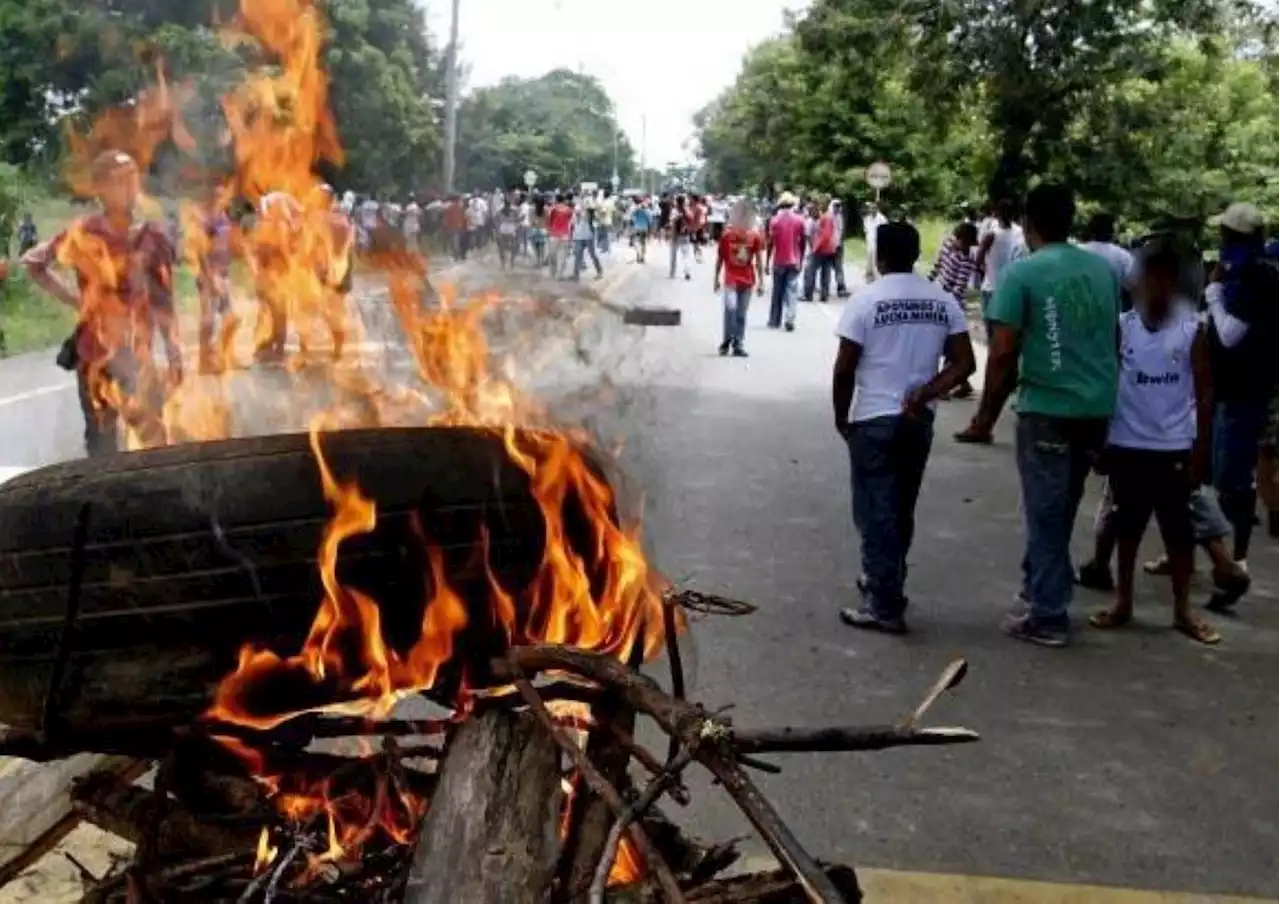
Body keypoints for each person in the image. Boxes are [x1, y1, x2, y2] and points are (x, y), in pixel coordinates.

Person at [967, 184, 1120, 646]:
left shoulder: (1023, 273)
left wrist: (986, 414)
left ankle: (1049, 615)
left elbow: (1002, 352)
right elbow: (1111, 335)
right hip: (1096, 406)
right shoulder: (1101, 269)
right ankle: (1040, 587)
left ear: (1029, 222)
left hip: (1048, 407)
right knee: (1063, 504)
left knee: (1045, 510)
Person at [832, 221, 976, 633]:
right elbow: (965, 363)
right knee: (901, 508)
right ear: (915, 255)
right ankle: (884, 578)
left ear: (879, 254)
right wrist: (927, 391)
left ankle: (885, 605)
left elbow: (844, 369)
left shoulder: (866, 301)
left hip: (874, 419)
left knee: (875, 512)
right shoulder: (941, 300)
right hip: (917, 421)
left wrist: (842, 417)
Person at [1085, 241, 1220, 644]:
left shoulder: (1192, 328)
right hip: (1128, 444)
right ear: (1138, 283)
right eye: (1147, 279)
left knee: (1179, 533)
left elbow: (1205, 393)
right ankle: (1123, 602)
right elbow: (1107, 381)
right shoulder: (1123, 325)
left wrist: (1200, 453)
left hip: (1173, 446)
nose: (1154, 287)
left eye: (1163, 279)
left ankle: (1182, 610)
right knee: (1128, 528)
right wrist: (1102, 440)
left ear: (1174, 283)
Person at [22, 149, 183, 456]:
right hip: (95, 356)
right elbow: (34, 263)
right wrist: (78, 302)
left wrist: (175, 355)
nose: (128, 187)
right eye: (118, 180)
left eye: (132, 178)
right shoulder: (84, 232)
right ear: (99, 188)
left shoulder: (152, 236)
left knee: (155, 443)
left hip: (138, 357)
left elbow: (164, 301)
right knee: (103, 446)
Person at [1203, 201, 1280, 567]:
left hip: (1242, 390)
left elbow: (1233, 334)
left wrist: (1213, 294)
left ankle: (1237, 560)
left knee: (1230, 479)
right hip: (1246, 385)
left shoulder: (1248, 274)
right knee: (1231, 474)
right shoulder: (1257, 266)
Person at [928, 221, 980, 398]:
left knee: (949, 345)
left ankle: (944, 385)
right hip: (938, 295)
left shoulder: (967, 261)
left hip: (951, 304)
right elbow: (938, 266)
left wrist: (948, 307)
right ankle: (962, 383)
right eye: (959, 240)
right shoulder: (948, 246)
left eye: (964, 242)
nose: (960, 244)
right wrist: (926, 284)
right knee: (946, 345)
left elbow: (958, 288)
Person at [713, 200, 764, 358]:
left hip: (747, 281)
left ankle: (738, 343)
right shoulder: (727, 236)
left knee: (741, 314)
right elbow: (720, 258)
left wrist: (762, 282)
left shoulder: (754, 236)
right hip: (731, 280)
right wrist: (715, 278)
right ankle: (726, 340)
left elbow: (759, 259)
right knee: (730, 310)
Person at [195, 198, 233, 373]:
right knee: (208, 320)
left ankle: (225, 356)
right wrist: (209, 278)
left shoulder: (223, 215)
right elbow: (201, 251)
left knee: (228, 317)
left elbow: (226, 243)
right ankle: (204, 360)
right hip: (210, 275)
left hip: (224, 273)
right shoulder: (205, 218)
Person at [766, 193, 805, 331]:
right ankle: (790, 318)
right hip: (794, 260)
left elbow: (771, 243)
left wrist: (767, 261)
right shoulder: (800, 220)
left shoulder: (774, 220)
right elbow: (803, 242)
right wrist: (801, 258)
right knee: (791, 292)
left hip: (779, 261)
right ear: (792, 205)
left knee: (777, 292)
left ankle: (774, 320)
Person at [803, 200, 840, 303]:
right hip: (829, 249)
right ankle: (824, 295)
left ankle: (808, 294)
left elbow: (826, 235)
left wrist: (816, 247)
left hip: (821, 249)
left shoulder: (825, 217)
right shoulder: (830, 217)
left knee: (811, 270)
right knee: (825, 272)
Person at [571, 200, 603, 281]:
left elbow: (598, 219)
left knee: (592, 255)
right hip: (578, 237)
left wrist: (590, 212)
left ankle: (599, 271)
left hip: (588, 237)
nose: (578, 209)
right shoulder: (575, 215)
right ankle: (576, 274)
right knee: (578, 256)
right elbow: (572, 224)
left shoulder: (588, 214)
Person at [546, 193, 573, 278]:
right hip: (565, 234)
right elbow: (570, 222)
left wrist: (549, 230)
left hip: (554, 234)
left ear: (556, 200)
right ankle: (560, 274)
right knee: (562, 256)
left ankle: (553, 272)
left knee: (552, 254)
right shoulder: (568, 210)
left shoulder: (553, 209)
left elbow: (549, 221)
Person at [668, 196, 693, 280]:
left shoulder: (674, 211)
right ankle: (687, 272)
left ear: (677, 202)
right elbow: (691, 221)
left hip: (676, 235)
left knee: (673, 255)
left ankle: (672, 273)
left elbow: (672, 223)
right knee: (686, 255)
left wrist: (672, 236)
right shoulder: (687, 211)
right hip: (685, 235)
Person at [861, 202, 887, 282]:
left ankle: (878, 278)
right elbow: (866, 230)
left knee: (877, 261)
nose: (872, 210)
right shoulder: (867, 219)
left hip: (879, 243)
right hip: (870, 242)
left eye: (874, 208)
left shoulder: (882, 219)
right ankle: (869, 276)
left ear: (877, 209)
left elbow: (885, 231)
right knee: (869, 260)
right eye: (870, 209)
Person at [495, 197, 521, 269]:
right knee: (514, 247)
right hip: (510, 232)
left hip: (503, 232)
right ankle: (511, 262)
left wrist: (497, 231)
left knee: (502, 248)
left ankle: (504, 263)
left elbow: (496, 222)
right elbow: (518, 221)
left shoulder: (500, 212)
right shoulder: (513, 212)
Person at [630, 198, 652, 263]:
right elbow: (650, 222)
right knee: (643, 243)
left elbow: (632, 218)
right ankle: (642, 257)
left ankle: (638, 255)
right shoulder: (648, 212)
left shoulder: (637, 211)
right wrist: (650, 231)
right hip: (644, 229)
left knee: (636, 242)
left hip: (637, 228)